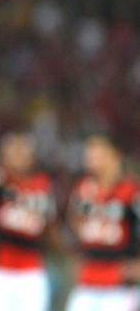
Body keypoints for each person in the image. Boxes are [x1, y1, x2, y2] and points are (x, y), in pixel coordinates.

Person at [65, 133, 140, 311]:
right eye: (89, 150)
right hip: (87, 283)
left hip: (119, 288)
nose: (90, 155)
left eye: (97, 150)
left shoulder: (131, 191)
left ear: (115, 155)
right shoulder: (83, 189)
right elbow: (73, 221)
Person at [0, 131, 57, 311]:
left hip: (31, 271)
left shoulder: (43, 185)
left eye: (23, 150)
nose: (18, 156)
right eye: (14, 151)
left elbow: (50, 226)